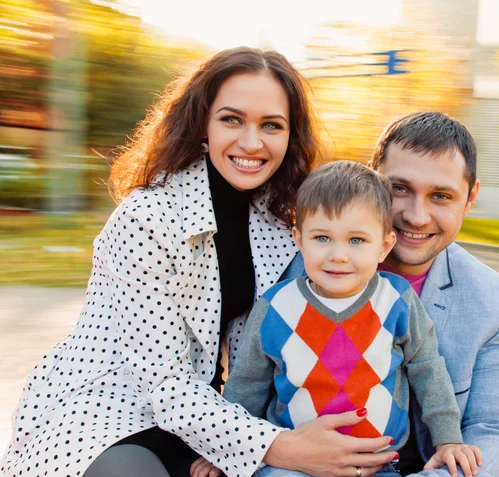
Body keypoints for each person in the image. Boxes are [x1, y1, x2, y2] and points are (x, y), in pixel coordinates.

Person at [0, 48, 397, 477]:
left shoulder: (285, 224)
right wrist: (280, 447)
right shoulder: (146, 219)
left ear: (290, 138)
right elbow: (164, 385)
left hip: (207, 419)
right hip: (104, 410)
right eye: (232, 119)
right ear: (202, 125)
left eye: (271, 125)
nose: (251, 142)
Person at [220, 161, 483, 477]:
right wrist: (227, 451)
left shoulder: (396, 301)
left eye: (356, 240)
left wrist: (448, 441)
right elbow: (246, 386)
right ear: (299, 239)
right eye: (322, 238)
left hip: (378, 465)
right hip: (293, 464)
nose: (338, 255)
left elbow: (428, 370)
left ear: (384, 246)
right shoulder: (275, 306)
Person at [369, 111, 499, 476]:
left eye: (441, 196)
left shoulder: (498, 305)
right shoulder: (302, 270)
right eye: (399, 188)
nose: (417, 216)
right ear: (372, 178)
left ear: (470, 197)